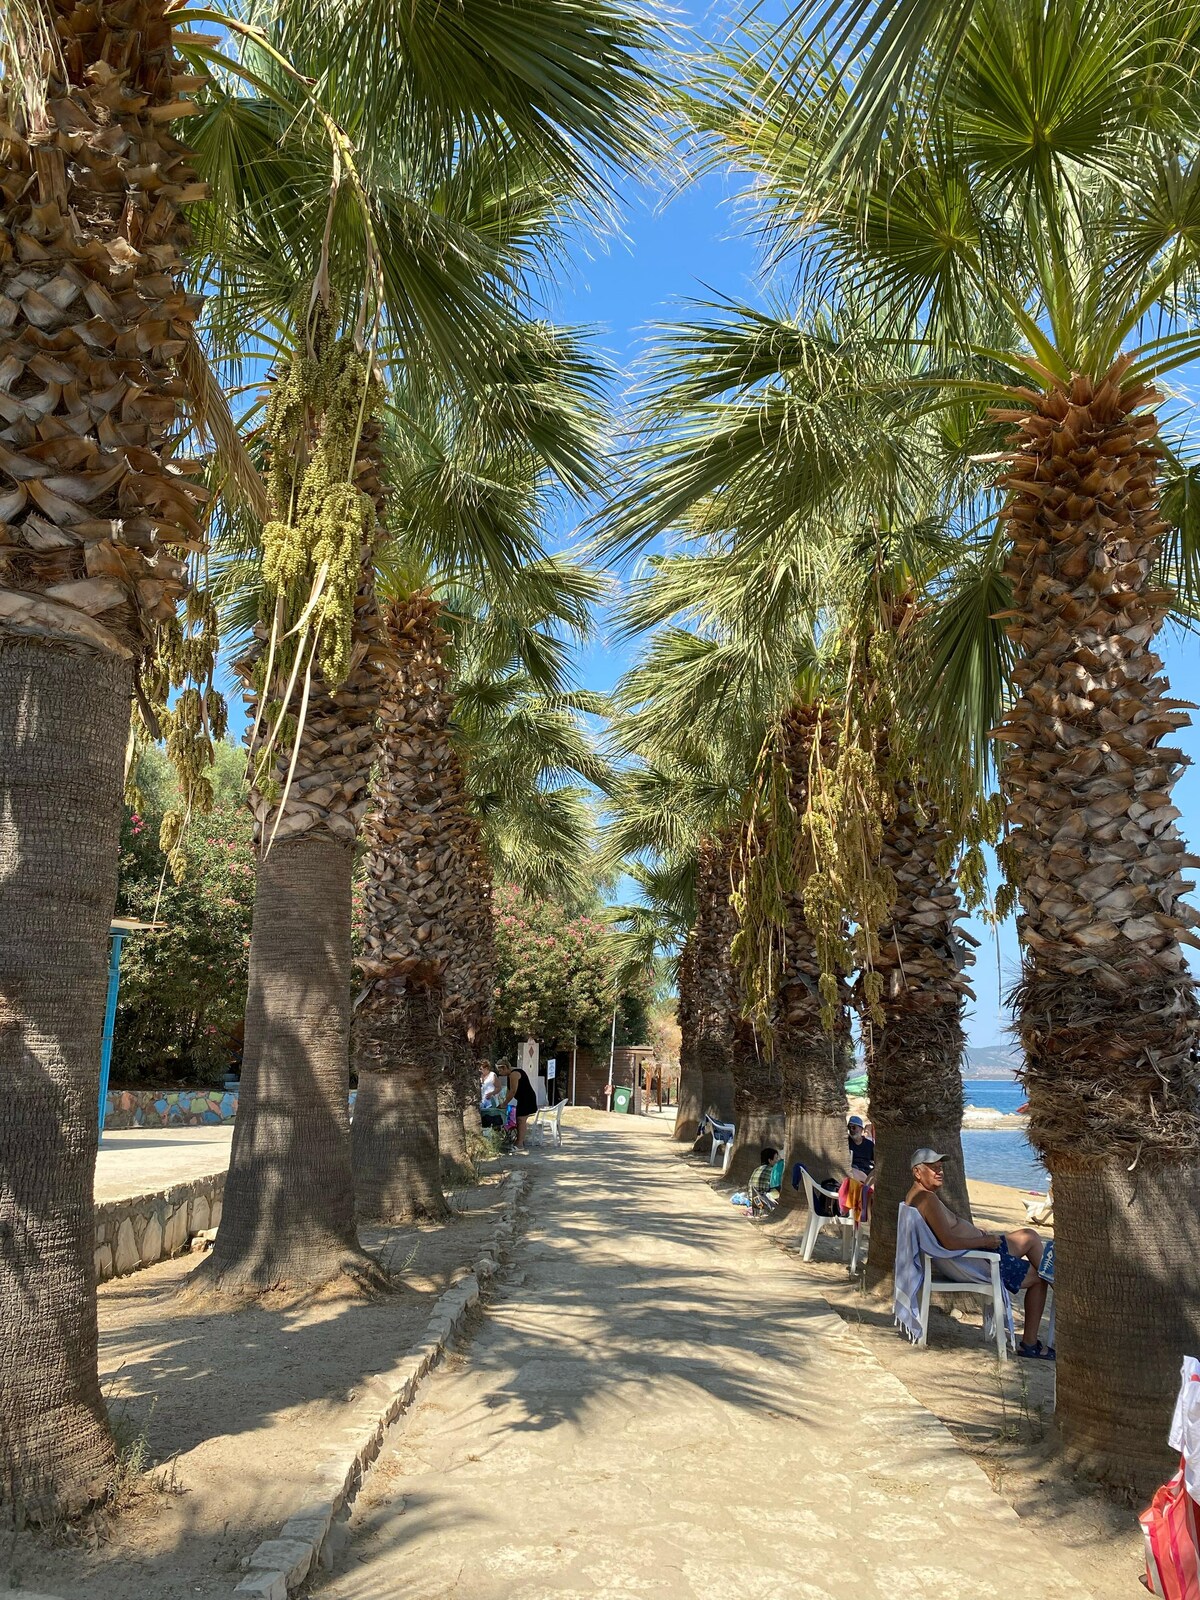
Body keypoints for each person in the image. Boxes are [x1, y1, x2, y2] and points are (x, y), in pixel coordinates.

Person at [906, 1148, 1052, 1359]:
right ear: (917, 1173)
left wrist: (980, 1237)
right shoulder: (926, 1200)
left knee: (1029, 1236)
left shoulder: (919, 1196)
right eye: (933, 1168)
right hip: (977, 1259)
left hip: (977, 1250)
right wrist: (984, 1240)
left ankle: (1059, 1287)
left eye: (940, 1167)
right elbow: (948, 1242)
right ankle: (1030, 1343)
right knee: (1040, 1278)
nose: (940, 1172)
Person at [505, 1057, 539, 1150]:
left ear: (505, 1068)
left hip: (527, 1099)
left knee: (521, 1120)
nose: (499, 1072)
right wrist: (503, 1102)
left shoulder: (514, 1074)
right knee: (518, 1119)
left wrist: (504, 1104)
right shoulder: (510, 1076)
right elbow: (508, 1092)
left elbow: (512, 1091)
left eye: (500, 1069)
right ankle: (518, 1141)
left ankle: (520, 1144)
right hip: (521, 1099)